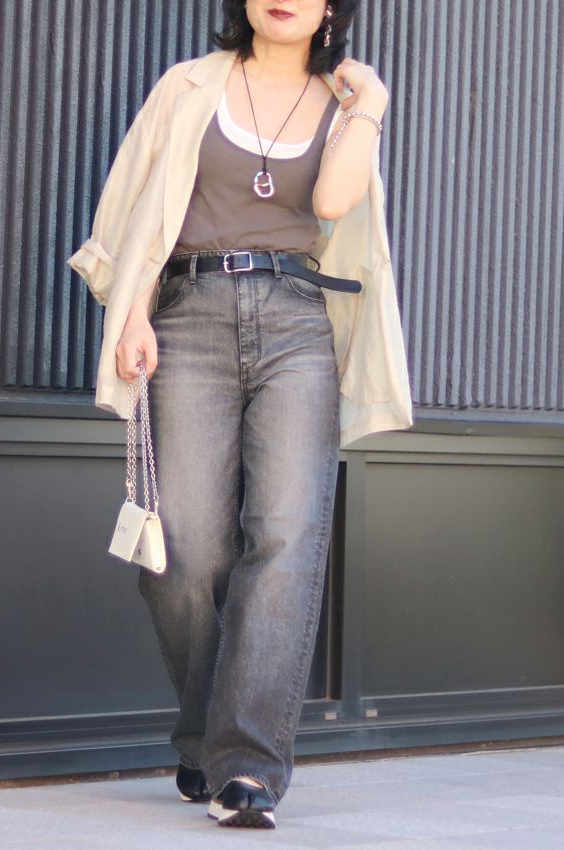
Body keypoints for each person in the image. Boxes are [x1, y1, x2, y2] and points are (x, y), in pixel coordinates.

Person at [67, 0, 414, 832]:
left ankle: (246, 766)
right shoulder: (188, 86)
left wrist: (371, 103)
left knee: (286, 538)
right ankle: (207, 734)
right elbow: (130, 205)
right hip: (188, 311)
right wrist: (133, 311)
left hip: (298, 319)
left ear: (331, 8)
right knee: (184, 551)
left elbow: (333, 198)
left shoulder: (344, 103)